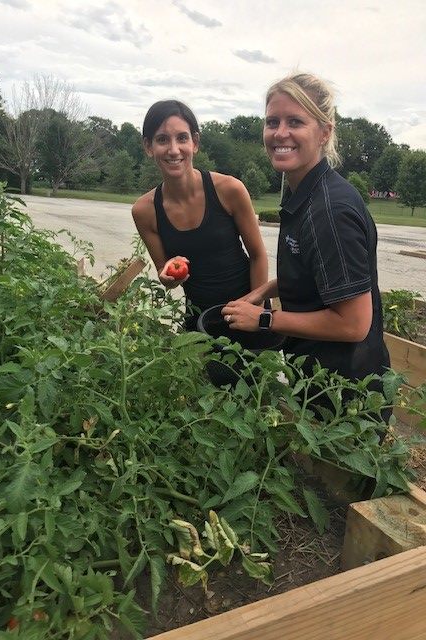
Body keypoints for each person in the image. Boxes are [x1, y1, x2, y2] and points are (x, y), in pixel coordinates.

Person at [221, 73, 391, 418]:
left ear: (324, 132)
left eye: (295, 121)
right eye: (272, 121)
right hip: (320, 383)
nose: (280, 133)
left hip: (345, 401)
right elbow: (315, 274)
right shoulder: (304, 193)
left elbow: (354, 323)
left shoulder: (330, 211)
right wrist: (263, 291)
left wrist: (265, 320)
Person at [132, 99, 269, 330]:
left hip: (247, 314)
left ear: (194, 142)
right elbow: (166, 276)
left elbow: (258, 255)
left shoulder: (229, 190)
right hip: (198, 322)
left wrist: (257, 311)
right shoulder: (144, 211)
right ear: (148, 146)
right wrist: (168, 276)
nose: (173, 149)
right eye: (162, 139)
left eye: (182, 138)